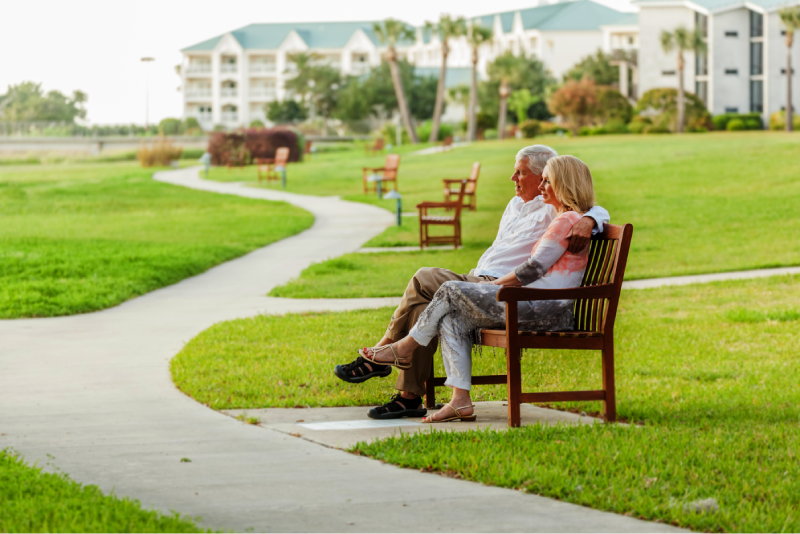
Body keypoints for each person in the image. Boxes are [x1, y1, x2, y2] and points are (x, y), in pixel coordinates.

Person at [333, 145, 609, 420]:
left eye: (521, 173)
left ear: (546, 178)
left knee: (425, 278)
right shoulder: (515, 205)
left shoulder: (555, 211)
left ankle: (388, 351)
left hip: (502, 289)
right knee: (426, 307)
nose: (513, 177)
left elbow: (583, 207)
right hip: (483, 279)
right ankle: (411, 397)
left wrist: (590, 218)